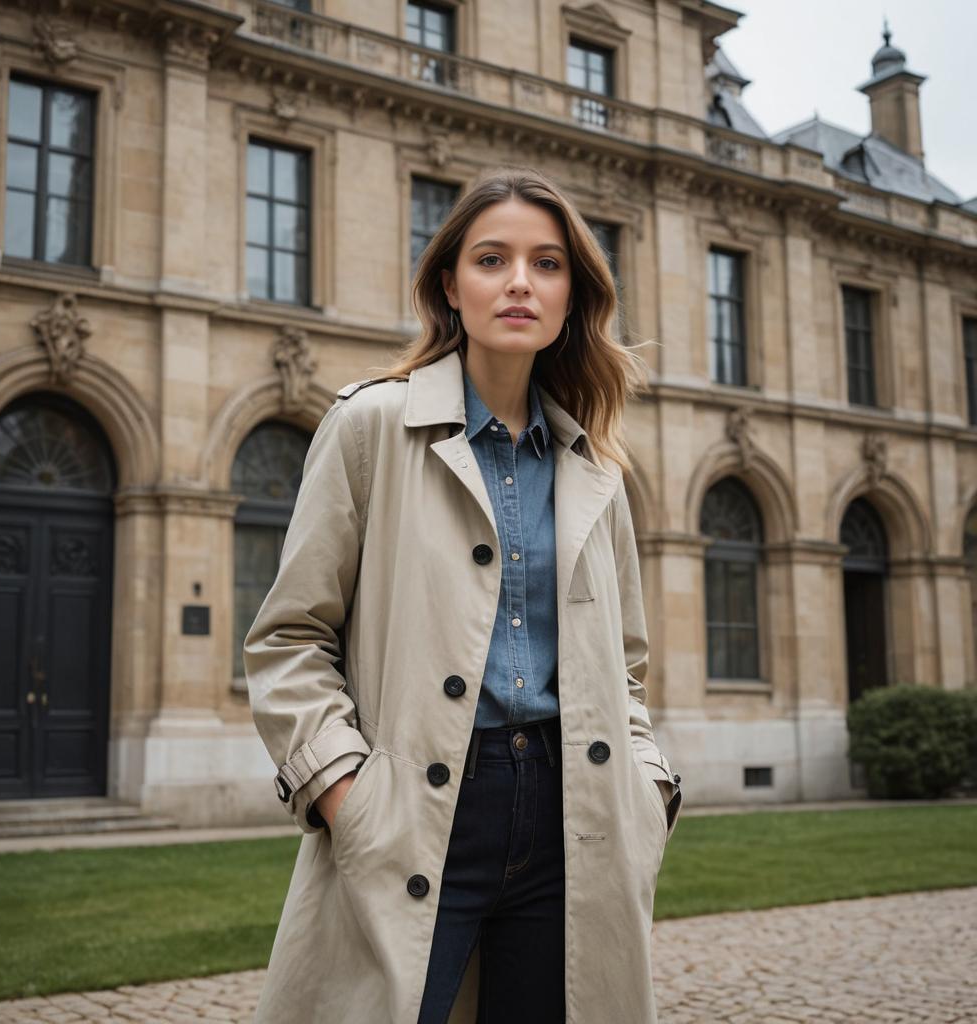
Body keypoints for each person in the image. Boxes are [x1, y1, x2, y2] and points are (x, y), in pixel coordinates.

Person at [244, 166, 682, 1024]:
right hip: (415, 810)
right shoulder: (371, 425)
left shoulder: (596, 468)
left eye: (547, 264)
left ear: (571, 296)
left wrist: (649, 789)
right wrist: (346, 791)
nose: (521, 281)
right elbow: (289, 639)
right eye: (493, 259)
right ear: (450, 284)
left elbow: (626, 669)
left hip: (574, 818)